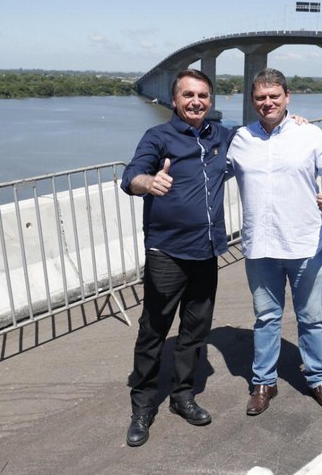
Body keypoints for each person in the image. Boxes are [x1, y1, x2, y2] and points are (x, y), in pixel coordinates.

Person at [226, 68, 322, 416]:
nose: (268, 103)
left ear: (287, 98)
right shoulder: (239, 140)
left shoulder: (307, 134)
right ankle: (264, 382)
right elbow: (205, 165)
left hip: (305, 244)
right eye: (261, 98)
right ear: (253, 101)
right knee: (266, 318)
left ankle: (317, 379)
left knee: (311, 318)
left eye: (274, 97)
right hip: (260, 246)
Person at [120, 69, 230, 447]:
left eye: (202, 95)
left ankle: (183, 396)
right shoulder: (158, 137)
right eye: (188, 95)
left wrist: (291, 122)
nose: (196, 101)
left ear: (210, 101)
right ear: (174, 100)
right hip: (167, 252)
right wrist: (148, 183)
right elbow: (131, 175)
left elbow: (261, 134)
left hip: (207, 251)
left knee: (195, 331)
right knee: (153, 330)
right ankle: (143, 406)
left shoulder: (221, 136)